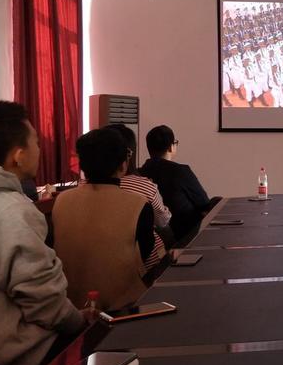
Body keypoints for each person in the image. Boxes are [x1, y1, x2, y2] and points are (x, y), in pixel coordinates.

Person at [0, 102, 89, 365]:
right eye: (36, 142)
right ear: (18, 156)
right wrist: (81, 322)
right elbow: (48, 305)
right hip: (12, 362)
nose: (40, 149)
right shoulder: (13, 211)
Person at [53, 128, 154, 311]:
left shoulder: (61, 200)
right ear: (123, 165)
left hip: (69, 306)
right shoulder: (138, 204)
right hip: (121, 308)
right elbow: (145, 253)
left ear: (82, 166)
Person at [106, 123, 171, 269]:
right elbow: (163, 221)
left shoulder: (74, 193)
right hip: (142, 267)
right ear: (127, 156)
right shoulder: (144, 186)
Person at [139, 125, 213, 240]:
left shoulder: (139, 173)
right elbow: (204, 203)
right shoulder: (181, 171)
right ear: (171, 147)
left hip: (151, 238)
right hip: (184, 236)